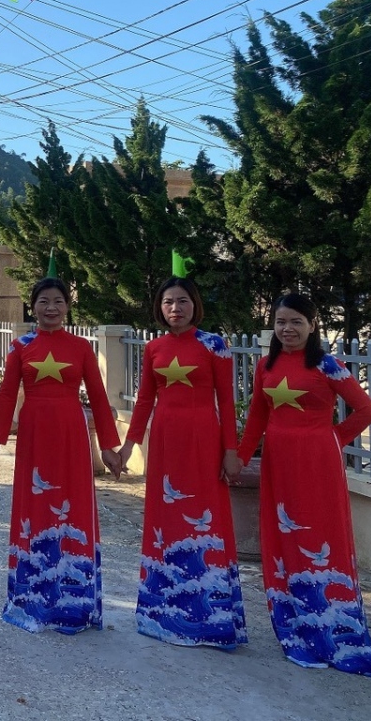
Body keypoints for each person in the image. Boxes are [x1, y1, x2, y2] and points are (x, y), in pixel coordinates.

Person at [238, 293, 371, 677]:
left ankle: (334, 623)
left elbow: (368, 410)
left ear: (312, 325)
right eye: (281, 322)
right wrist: (240, 458)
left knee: (318, 534)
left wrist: (332, 439)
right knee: (283, 536)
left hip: (318, 463)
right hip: (278, 463)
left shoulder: (329, 366)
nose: (287, 329)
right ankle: (295, 626)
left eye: (296, 321)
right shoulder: (266, 365)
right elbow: (257, 420)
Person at [0, 276, 122, 634]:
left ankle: (76, 599)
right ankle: (33, 596)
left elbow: (100, 399)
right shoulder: (20, 347)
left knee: (73, 505)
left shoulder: (81, 348)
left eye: (58, 301)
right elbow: (8, 396)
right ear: (33, 306)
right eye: (44, 301)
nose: (51, 308)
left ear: (67, 306)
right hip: (34, 434)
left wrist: (109, 446)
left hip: (71, 433)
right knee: (37, 505)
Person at [120, 273, 247, 649]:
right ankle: (162, 612)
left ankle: (213, 617)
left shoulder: (214, 345)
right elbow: (144, 401)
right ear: (159, 308)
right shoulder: (154, 348)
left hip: (204, 439)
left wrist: (231, 450)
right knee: (166, 516)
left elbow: (226, 400)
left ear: (195, 304)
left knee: (205, 514)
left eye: (183, 301)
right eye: (168, 302)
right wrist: (129, 445)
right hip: (164, 441)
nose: (176, 308)